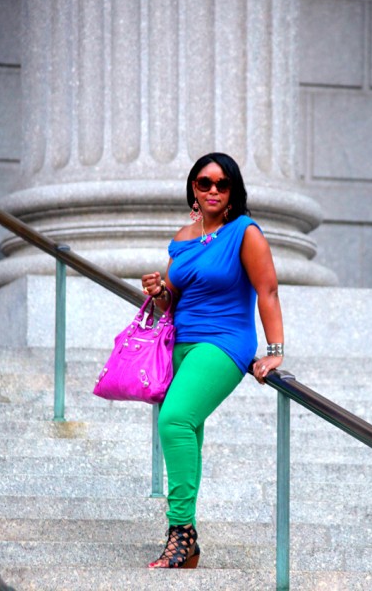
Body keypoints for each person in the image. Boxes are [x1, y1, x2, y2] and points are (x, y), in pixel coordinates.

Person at [141, 152, 284, 569]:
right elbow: (172, 299)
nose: (213, 191)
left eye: (222, 184)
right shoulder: (183, 237)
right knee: (189, 431)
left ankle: (181, 532)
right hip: (182, 344)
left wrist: (274, 353)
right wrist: (157, 289)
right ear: (193, 188)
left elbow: (268, 290)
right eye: (204, 183)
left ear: (234, 190)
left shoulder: (245, 232)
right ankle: (187, 549)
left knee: (174, 420)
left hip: (223, 343)